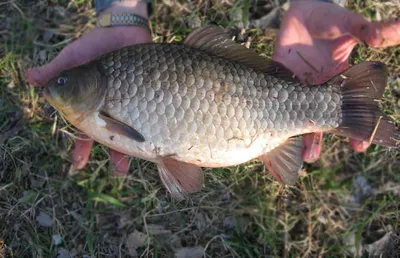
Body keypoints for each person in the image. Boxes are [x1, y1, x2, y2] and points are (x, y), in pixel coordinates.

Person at [27, 0, 400, 176]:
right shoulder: (105, 96)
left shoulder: (103, 105)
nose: (54, 88)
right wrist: (121, 11)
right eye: (62, 83)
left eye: (63, 82)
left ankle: (341, 109)